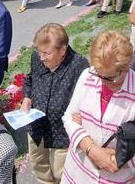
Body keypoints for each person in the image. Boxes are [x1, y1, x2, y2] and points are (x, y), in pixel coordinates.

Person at [61, 31, 135, 183]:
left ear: (127, 66)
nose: (103, 82)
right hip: (79, 171)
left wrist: (123, 164)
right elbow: (68, 117)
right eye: (99, 74)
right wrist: (91, 149)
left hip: (114, 178)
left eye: (111, 78)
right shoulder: (88, 75)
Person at [20, 24, 89, 184]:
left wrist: (81, 116)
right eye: (39, 51)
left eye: (47, 53)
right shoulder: (37, 58)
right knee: (39, 166)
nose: (41, 57)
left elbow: (89, 95)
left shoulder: (79, 65)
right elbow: (29, 80)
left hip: (62, 131)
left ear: (62, 50)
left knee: (62, 172)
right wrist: (27, 97)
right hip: (37, 126)